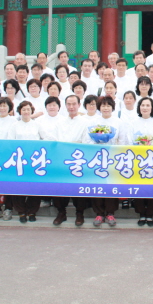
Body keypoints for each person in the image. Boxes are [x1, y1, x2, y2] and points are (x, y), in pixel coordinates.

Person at [83, 96, 127, 227]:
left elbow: (123, 141)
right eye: (103, 105)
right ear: (99, 107)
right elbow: (86, 139)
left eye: (108, 105)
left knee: (111, 185)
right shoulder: (93, 121)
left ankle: (110, 213)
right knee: (98, 185)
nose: (106, 108)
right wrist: (98, 141)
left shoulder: (118, 122)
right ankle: (99, 213)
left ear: (112, 107)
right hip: (97, 158)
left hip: (112, 158)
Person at [8, 100, 51, 223]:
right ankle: (21, 211)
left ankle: (32, 211)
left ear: (31, 111)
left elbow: (46, 137)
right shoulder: (14, 126)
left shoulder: (37, 125)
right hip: (19, 161)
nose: (26, 111)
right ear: (20, 111)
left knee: (34, 187)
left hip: (34, 161)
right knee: (18, 187)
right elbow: (10, 141)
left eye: (28, 109)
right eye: (23, 109)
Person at [52, 95, 88, 226]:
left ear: (79, 105)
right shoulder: (60, 123)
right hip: (62, 159)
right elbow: (56, 141)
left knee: (78, 188)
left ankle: (80, 213)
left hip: (78, 160)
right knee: (60, 187)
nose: (71, 107)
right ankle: (61, 212)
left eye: (74, 104)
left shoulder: (85, 123)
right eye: (69, 104)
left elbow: (86, 142)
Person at [131, 97, 153, 227]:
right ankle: (141, 214)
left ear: (152, 108)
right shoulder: (133, 123)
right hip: (137, 159)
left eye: (148, 105)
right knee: (139, 187)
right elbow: (129, 139)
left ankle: (150, 214)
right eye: (142, 105)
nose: (145, 107)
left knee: (152, 187)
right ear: (139, 107)